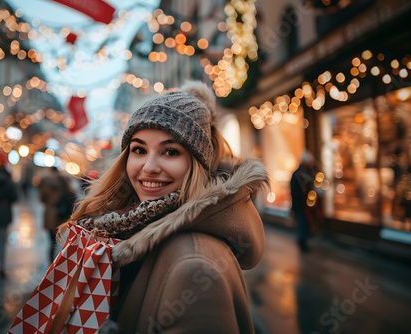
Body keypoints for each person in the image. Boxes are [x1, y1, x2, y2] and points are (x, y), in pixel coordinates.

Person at [57, 81, 269, 332]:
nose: (149, 167)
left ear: (198, 164)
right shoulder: (124, 228)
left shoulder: (194, 266)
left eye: (170, 152)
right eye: (139, 150)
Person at [290, 150, 323, 252]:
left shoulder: (305, 172)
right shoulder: (299, 174)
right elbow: (295, 191)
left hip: (305, 204)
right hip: (302, 204)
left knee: (304, 222)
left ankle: (303, 240)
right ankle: (302, 242)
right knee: (302, 222)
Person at [39, 166, 73, 263]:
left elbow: (41, 199)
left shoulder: (45, 182)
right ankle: (62, 262)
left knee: (51, 242)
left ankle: (51, 263)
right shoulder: (63, 181)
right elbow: (70, 194)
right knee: (63, 240)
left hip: (50, 213)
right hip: (62, 214)